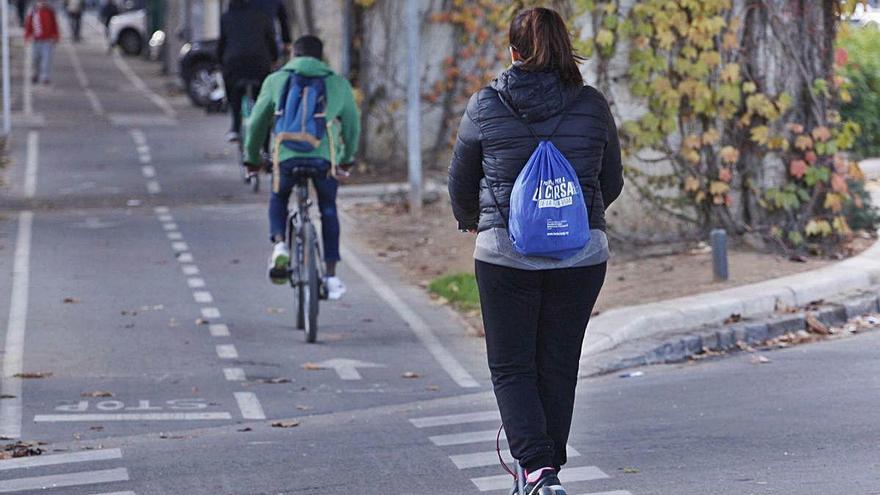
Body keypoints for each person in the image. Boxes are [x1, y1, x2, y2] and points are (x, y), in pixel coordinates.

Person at [448, 7, 623, 495]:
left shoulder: (485, 104)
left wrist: (472, 220)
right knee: (559, 363)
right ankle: (549, 470)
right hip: (582, 256)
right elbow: (611, 181)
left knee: (511, 365)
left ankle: (537, 469)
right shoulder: (592, 104)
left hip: (505, 255)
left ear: (513, 52)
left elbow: (461, 179)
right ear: (567, 47)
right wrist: (572, 219)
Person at [244, 35, 360, 300]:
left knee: (279, 197)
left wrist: (252, 159)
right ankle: (330, 277)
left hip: (285, 157)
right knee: (328, 209)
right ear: (321, 57)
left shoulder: (275, 80)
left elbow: (256, 123)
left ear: (294, 54)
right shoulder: (337, 83)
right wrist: (346, 159)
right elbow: (353, 126)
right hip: (323, 159)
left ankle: (280, 246)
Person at [217, 0, 278, 143]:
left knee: (234, 93)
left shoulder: (226, 18)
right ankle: (265, 145)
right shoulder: (262, 16)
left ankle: (235, 128)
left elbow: (222, 43)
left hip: (234, 66)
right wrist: (274, 59)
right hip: (259, 65)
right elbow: (271, 41)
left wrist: (220, 62)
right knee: (262, 100)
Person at [24, 0, 60, 85]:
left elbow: (54, 25)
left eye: (44, 2)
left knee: (46, 59)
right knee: (35, 59)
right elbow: (28, 25)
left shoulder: (50, 12)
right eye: (40, 2)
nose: (42, 3)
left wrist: (56, 36)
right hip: (36, 40)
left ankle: (45, 77)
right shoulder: (33, 12)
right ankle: (35, 74)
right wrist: (27, 36)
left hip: (47, 40)